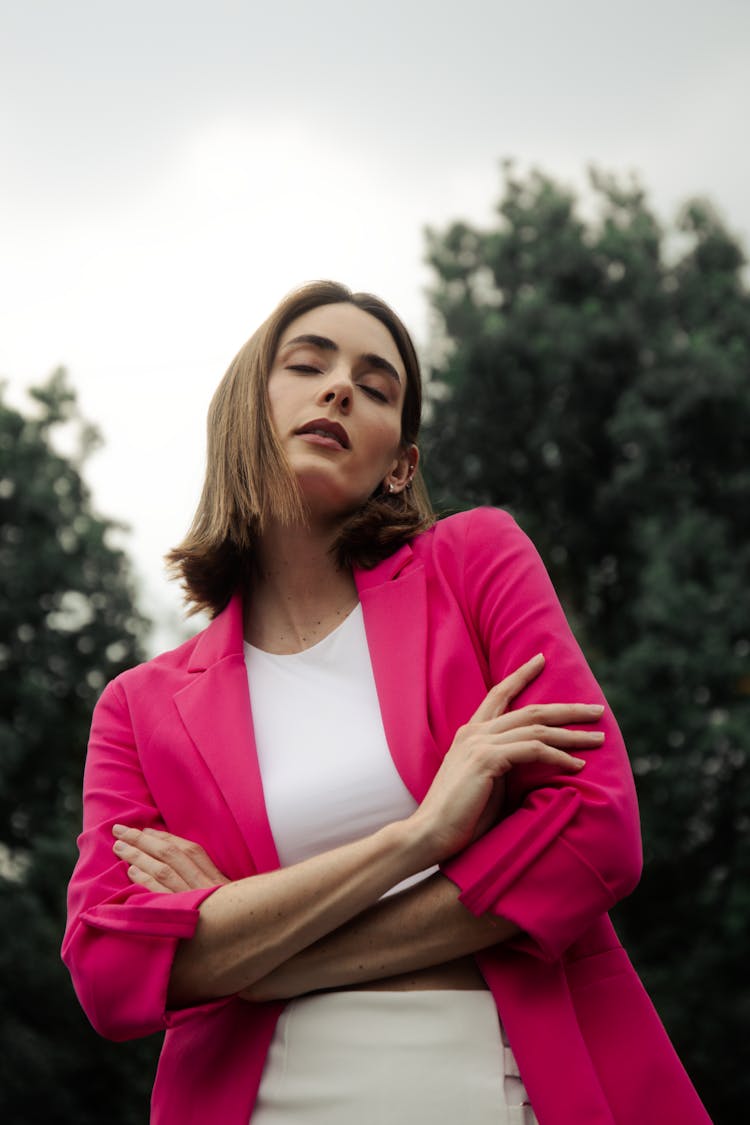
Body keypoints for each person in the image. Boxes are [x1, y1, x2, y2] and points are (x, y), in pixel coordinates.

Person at [62, 281, 712, 1125]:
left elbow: (595, 831)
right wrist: (419, 838)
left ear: (398, 464)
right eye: (307, 364)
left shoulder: (473, 562)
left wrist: (252, 947)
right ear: (244, 414)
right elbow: (112, 973)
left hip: (493, 1080)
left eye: (376, 387)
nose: (339, 387)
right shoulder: (138, 708)